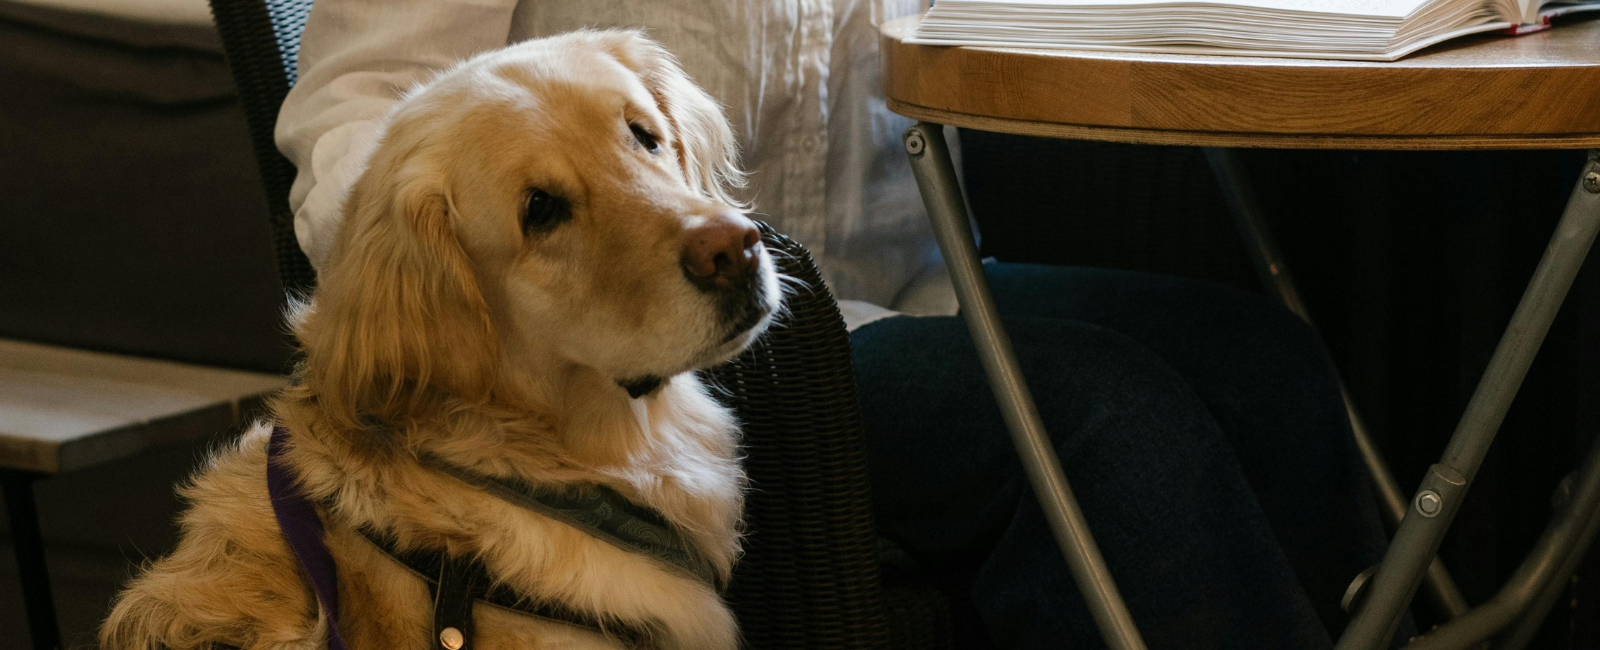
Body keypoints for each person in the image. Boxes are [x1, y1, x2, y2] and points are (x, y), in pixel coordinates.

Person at [276, 1, 1399, 646]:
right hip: (682, 364)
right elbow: (357, 108)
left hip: (916, 279)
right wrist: (462, 282)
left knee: (1262, 360)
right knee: (1106, 412)